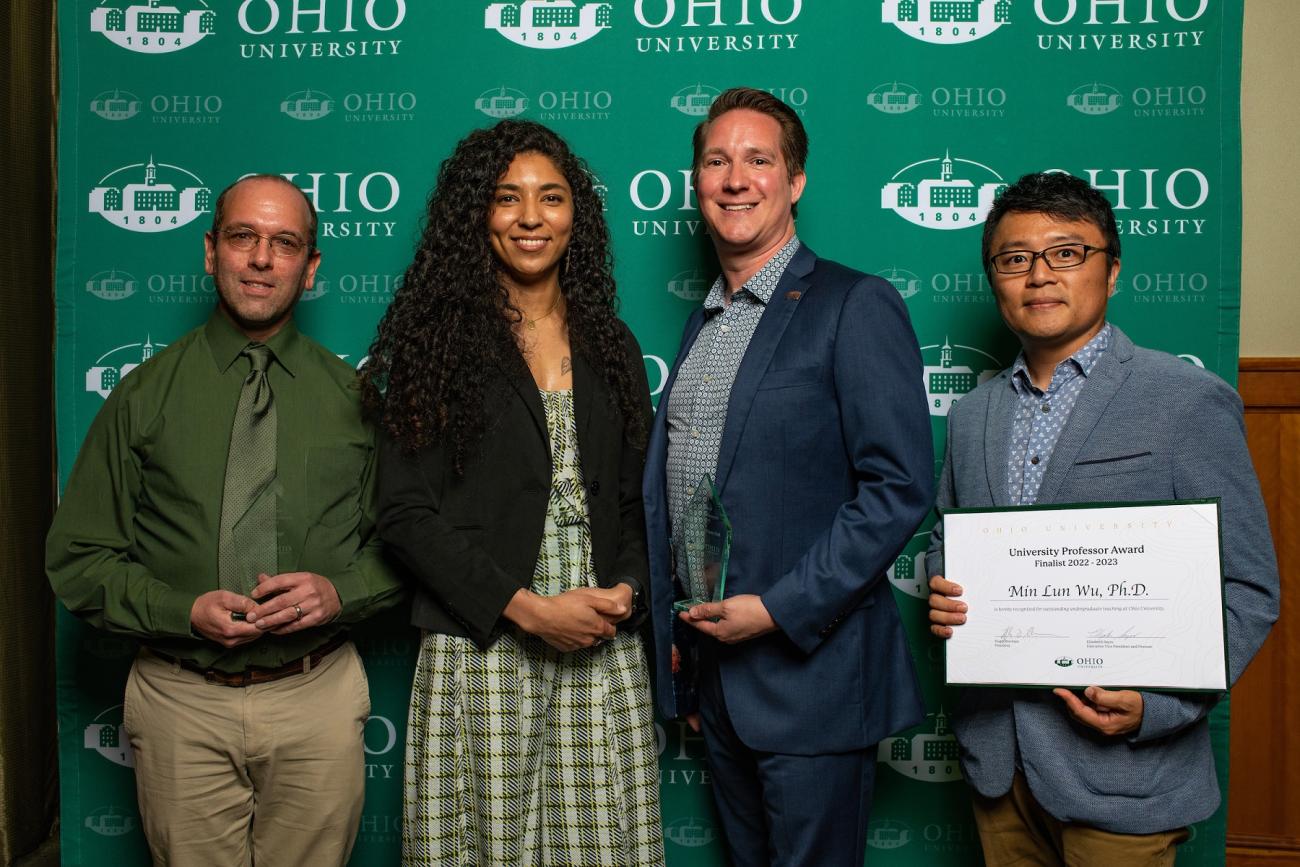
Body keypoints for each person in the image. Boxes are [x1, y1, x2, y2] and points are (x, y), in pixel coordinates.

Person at [46, 174, 404, 866]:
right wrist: (180, 610)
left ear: (312, 265)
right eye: (243, 237)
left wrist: (341, 592)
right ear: (211, 251)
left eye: (284, 242)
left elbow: (406, 546)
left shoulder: (355, 401)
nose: (262, 259)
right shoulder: (143, 395)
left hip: (316, 696)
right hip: (182, 700)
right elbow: (79, 557)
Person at [927, 171, 1280, 865]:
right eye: (1014, 258)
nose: (1039, 275)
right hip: (1000, 767)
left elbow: (1249, 588)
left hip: (1126, 777)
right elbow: (949, 533)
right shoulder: (973, 415)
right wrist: (946, 588)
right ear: (995, 278)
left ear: (1111, 271)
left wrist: (1159, 706)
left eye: (1066, 252)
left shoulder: (1184, 400)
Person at [643, 87, 934, 866]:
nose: (735, 178)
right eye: (716, 160)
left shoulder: (852, 303)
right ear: (697, 182)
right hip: (718, 683)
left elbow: (899, 486)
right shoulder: (703, 323)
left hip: (812, 683)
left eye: (758, 159)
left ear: (795, 180)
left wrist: (777, 609)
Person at [364, 119, 663, 866]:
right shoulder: (436, 346)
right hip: (487, 640)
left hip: (598, 643)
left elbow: (636, 500)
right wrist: (526, 607)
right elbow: (402, 513)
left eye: (552, 197)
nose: (531, 217)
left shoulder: (612, 342)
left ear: (577, 215)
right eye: (508, 198)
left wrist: (626, 590)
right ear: (477, 215)